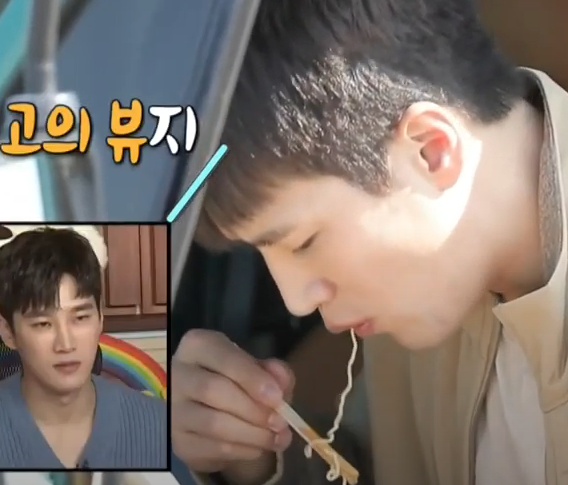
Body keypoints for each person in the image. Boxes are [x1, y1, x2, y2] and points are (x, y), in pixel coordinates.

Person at [170, 0, 568, 483]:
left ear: (430, 150)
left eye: (304, 241)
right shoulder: (425, 291)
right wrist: (249, 458)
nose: (297, 301)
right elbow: (379, 467)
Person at [0, 228, 167, 469]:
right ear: (7, 332)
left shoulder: (161, 425)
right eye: (43, 324)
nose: (66, 345)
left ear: (100, 318)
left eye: (80, 318)